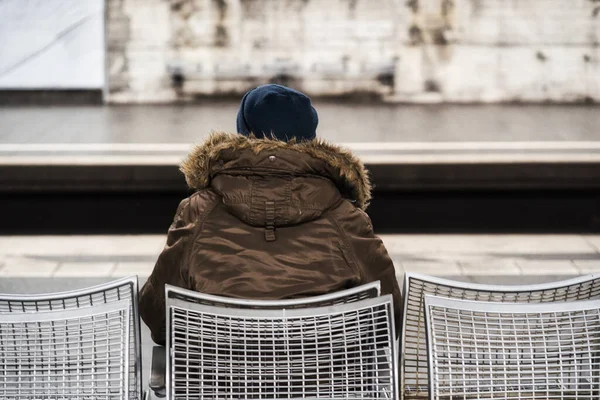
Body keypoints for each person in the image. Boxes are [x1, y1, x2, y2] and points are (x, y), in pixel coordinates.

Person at [139, 84, 402, 345]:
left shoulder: (198, 211)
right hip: (322, 382)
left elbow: (158, 316)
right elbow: (389, 318)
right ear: (310, 139)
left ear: (243, 133)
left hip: (219, 382)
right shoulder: (346, 217)